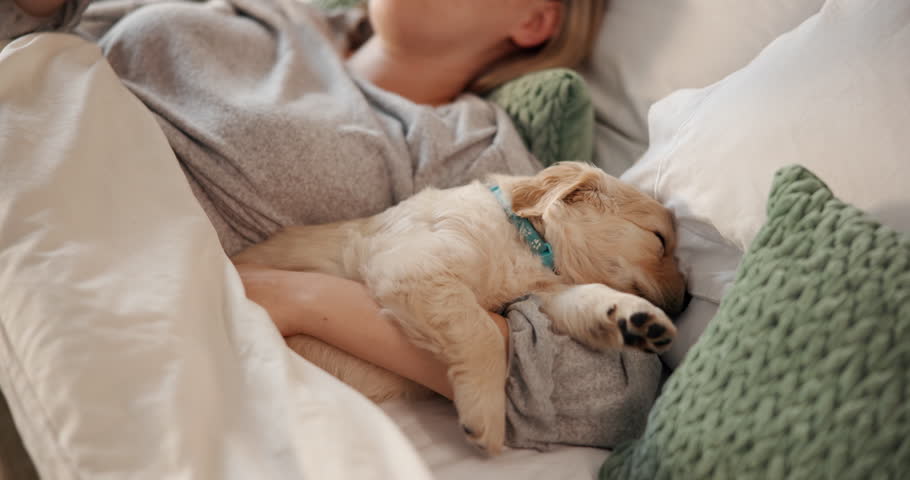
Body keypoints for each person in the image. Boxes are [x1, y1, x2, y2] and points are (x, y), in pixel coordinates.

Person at [4, 0, 662, 452]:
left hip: (69, 287)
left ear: (533, 19)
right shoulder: (269, 10)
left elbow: (606, 393)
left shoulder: (465, 148)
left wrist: (294, 298)